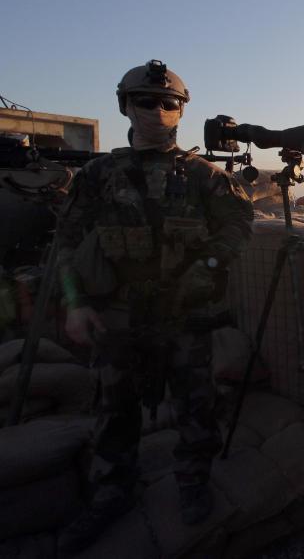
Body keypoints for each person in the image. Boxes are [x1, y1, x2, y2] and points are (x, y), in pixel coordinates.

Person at [55, 59, 254, 553]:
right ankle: (111, 494)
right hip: (118, 313)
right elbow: (67, 242)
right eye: (146, 101)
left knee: (194, 405)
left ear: (182, 112)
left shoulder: (205, 176)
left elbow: (238, 225)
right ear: (125, 105)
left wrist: (206, 264)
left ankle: (192, 483)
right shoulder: (98, 175)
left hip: (184, 311)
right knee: (114, 409)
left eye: (169, 103)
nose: (158, 111)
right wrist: (76, 304)